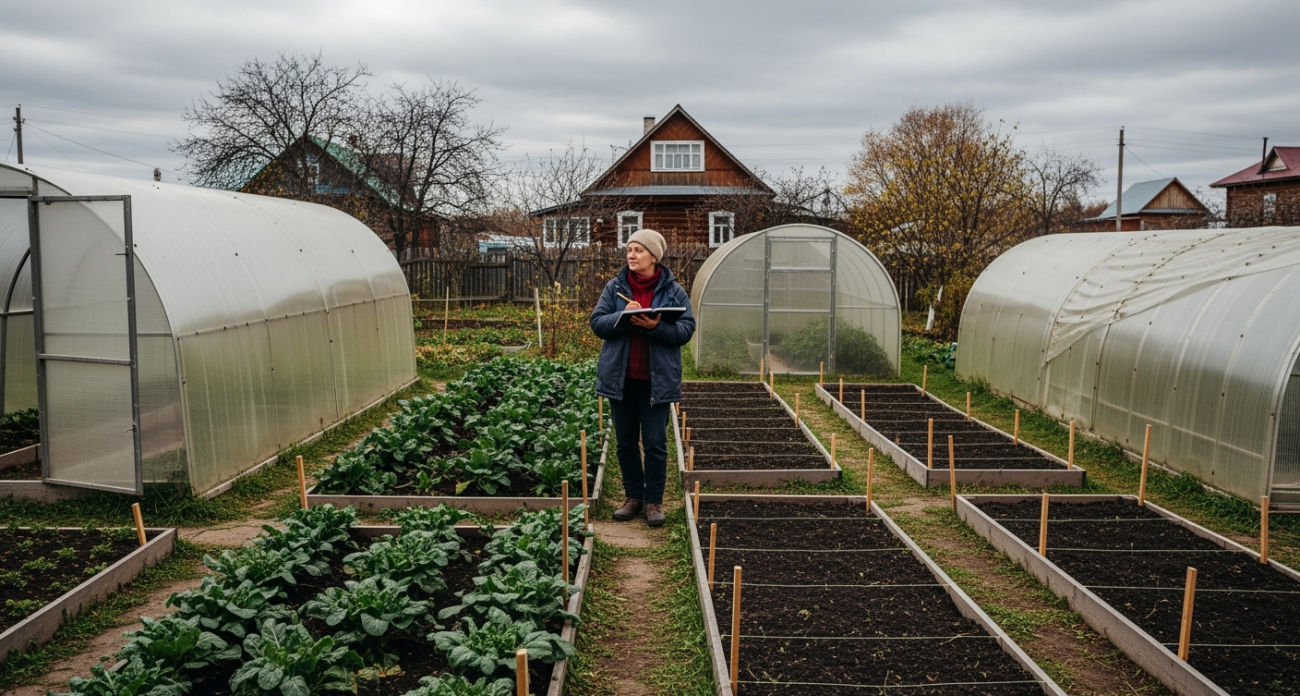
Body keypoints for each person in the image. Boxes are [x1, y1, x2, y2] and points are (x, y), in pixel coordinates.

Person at [590, 229, 695, 527]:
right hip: (620, 379)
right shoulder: (615, 288)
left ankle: (653, 502)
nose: (631, 255)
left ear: (653, 256)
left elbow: (686, 331)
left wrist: (654, 326)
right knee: (624, 442)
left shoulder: (674, 291)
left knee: (654, 443)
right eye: (629, 250)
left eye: (637, 250)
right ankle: (633, 497)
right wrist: (622, 316)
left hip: (656, 380)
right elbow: (597, 323)